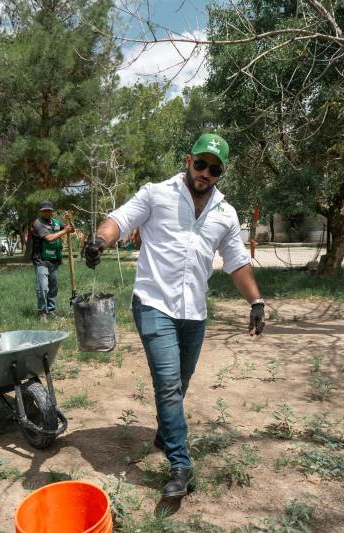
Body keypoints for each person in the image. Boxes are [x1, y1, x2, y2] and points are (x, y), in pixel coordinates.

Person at [84, 133, 266, 499]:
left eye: (214, 169)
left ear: (221, 173)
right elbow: (119, 219)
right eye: (200, 164)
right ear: (188, 160)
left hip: (194, 312)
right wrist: (100, 240)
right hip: (153, 303)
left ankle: (166, 431)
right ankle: (180, 465)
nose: (205, 173)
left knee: (180, 382)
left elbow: (237, 262)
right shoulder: (156, 193)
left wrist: (256, 302)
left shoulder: (225, 213)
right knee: (168, 384)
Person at [30, 201, 74, 319]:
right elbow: (49, 238)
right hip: (41, 260)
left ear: (52, 211)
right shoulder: (37, 223)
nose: (47, 212)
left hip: (54, 259)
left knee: (53, 287)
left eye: (49, 210)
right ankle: (42, 312)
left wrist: (69, 220)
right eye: (44, 210)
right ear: (40, 212)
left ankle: (52, 310)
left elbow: (71, 230)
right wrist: (65, 230)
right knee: (43, 288)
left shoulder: (56, 222)